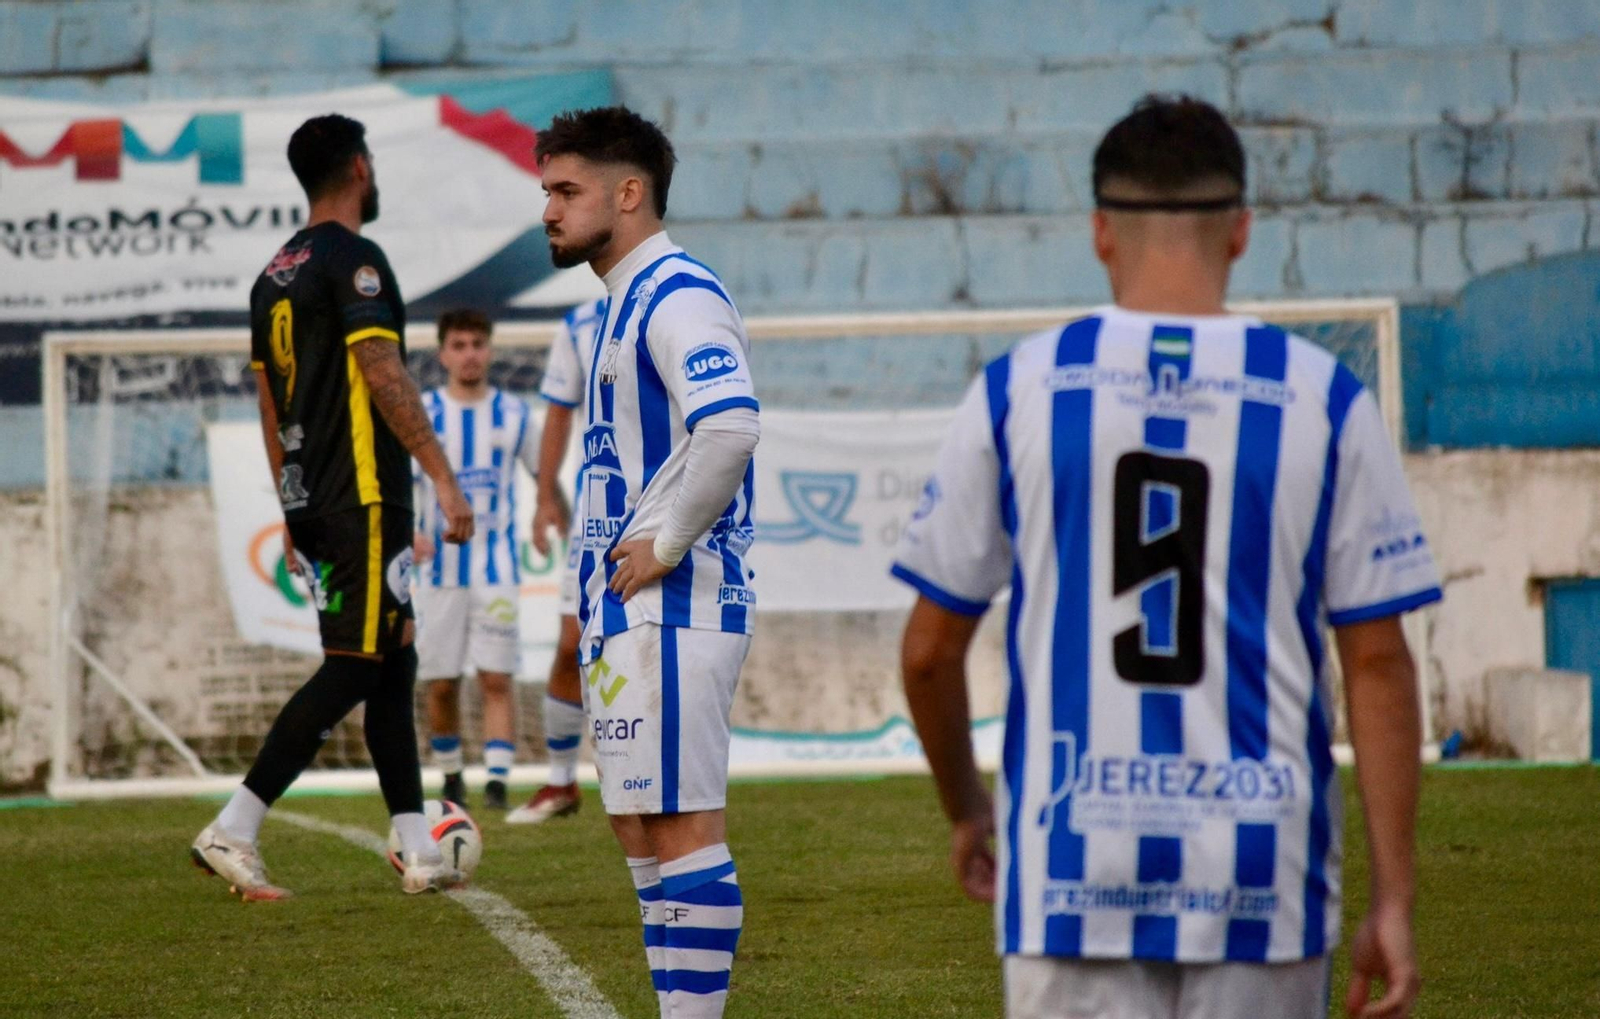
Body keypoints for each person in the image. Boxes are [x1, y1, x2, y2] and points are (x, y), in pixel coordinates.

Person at [893, 95, 1440, 1019]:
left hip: (1070, 864)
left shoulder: (1019, 388)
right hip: (1264, 875)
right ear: (1243, 232)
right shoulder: (1322, 396)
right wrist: (1393, 895)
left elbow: (928, 651)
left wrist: (968, 810)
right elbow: (1378, 660)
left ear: (1101, 231)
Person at [192, 113, 475, 899]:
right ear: (358, 166)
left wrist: (290, 507)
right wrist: (442, 478)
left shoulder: (271, 274)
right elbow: (383, 372)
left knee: (395, 652)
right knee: (356, 661)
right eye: (373, 160)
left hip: (314, 497)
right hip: (363, 493)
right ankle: (235, 824)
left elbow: (266, 398)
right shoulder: (355, 260)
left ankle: (418, 847)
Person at [538, 106, 759, 1019]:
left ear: (629, 194)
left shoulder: (676, 293)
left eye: (566, 191)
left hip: (675, 609)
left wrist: (665, 545)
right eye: (546, 190)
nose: (547, 210)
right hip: (621, 614)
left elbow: (732, 424)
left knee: (681, 825)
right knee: (638, 826)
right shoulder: (617, 301)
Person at [413, 308, 542, 811]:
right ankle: (450, 778)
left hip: (498, 570)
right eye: (459, 345)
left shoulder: (513, 414)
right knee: (441, 682)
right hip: (438, 572)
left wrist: (547, 515)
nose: (470, 354)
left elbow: (542, 474)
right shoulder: (422, 413)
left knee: (495, 677)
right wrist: (408, 532)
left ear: (490, 350)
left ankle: (496, 784)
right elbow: (396, 483)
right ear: (443, 353)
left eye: (478, 344)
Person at [506, 295, 607, 825]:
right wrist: (547, 496)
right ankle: (561, 782)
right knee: (571, 643)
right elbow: (560, 414)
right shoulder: (580, 323)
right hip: (597, 514)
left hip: (663, 509)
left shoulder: (675, 299)